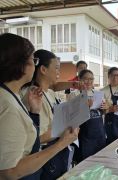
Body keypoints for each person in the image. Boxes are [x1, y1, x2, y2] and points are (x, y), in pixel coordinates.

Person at [0, 33, 79, 180]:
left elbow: (27, 137)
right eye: (33, 60)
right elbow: (9, 171)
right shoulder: (8, 105)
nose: (34, 66)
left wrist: (34, 112)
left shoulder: (13, 95)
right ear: (20, 64)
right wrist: (61, 143)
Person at [67, 69, 107, 162]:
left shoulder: (97, 94)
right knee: (84, 163)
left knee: (99, 162)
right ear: (79, 79)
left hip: (99, 134)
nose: (89, 82)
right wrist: (85, 108)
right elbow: (71, 117)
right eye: (86, 79)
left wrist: (105, 108)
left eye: (91, 79)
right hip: (84, 136)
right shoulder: (74, 95)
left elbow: (103, 113)